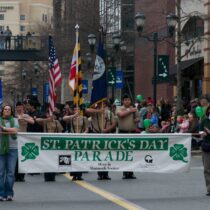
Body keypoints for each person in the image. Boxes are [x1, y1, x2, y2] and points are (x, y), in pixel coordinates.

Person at [86, 100, 116, 180]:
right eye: (100, 103)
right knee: (98, 155)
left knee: (106, 155)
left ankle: (106, 173)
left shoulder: (109, 113)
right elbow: (87, 110)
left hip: (106, 135)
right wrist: (98, 110)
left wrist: (107, 130)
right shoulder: (95, 112)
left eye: (103, 104)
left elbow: (114, 123)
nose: (102, 105)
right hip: (96, 135)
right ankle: (99, 173)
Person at [116, 94, 139, 179]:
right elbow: (121, 115)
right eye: (125, 100)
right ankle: (125, 172)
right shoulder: (119, 108)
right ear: (123, 101)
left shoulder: (134, 109)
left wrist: (136, 120)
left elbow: (138, 118)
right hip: (123, 133)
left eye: (128, 100)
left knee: (131, 153)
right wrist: (130, 110)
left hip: (132, 132)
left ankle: (131, 172)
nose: (127, 101)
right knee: (124, 153)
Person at [36, 110, 63, 181]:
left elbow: (60, 132)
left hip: (55, 142)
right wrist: (47, 119)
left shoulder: (57, 122)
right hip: (46, 143)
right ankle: (47, 176)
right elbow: (37, 120)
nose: (50, 115)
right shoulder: (45, 122)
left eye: (52, 114)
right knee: (47, 159)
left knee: (54, 159)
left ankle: (53, 175)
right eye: (48, 114)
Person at [63, 107, 89, 181]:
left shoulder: (84, 118)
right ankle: (74, 175)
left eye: (78, 109)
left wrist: (83, 134)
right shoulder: (71, 118)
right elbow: (64, 118)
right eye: (75, 109)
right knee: (73, 157)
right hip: (73, 138)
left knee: (80, 156)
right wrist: (74, 115)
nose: (76, 110)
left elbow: (87, 128)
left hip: (81, 138)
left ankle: (79, 175)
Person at [0, 105, 19, 201]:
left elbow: (15, 130)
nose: (7, 111)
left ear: (11, 111)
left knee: (10, 172)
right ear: (2, 111)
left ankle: (9, 193)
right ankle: (1, 193)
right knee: (0, 172)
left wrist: (3, 128)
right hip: (0, 149)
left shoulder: (15, 120)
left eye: (9, 109)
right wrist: (8, 130)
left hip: (13, 149)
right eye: (5, 109)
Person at [15, 102, 34, 182]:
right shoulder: (13, 115)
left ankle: (21, 176)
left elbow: (32, 122)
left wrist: (23, 118)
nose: (19, 108)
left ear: (23, 108)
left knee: (22, 157)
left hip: (23, 138)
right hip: (14, 138)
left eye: (21, 107)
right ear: (16, 108)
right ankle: (15, 175)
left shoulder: (25, 115)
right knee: (15, 158)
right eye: (18, 107)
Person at [199, 105, 210, 196]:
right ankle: (209, 188)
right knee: (207, 169)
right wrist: (203, 134)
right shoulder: (204, 121)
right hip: (207, 146)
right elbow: (200, 131)